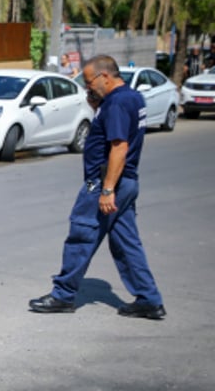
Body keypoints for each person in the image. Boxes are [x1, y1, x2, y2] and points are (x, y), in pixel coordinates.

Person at [29, 55, 165, 319]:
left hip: (106, 183)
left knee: (81, 234)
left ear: (105, 76)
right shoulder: (132, 97)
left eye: (89, 81)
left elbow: (119, 147)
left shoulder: (117, 103)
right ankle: (149, 299)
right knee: (126, 243)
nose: (88, 86)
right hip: (125, 182)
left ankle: (63, 295)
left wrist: (106, 190)